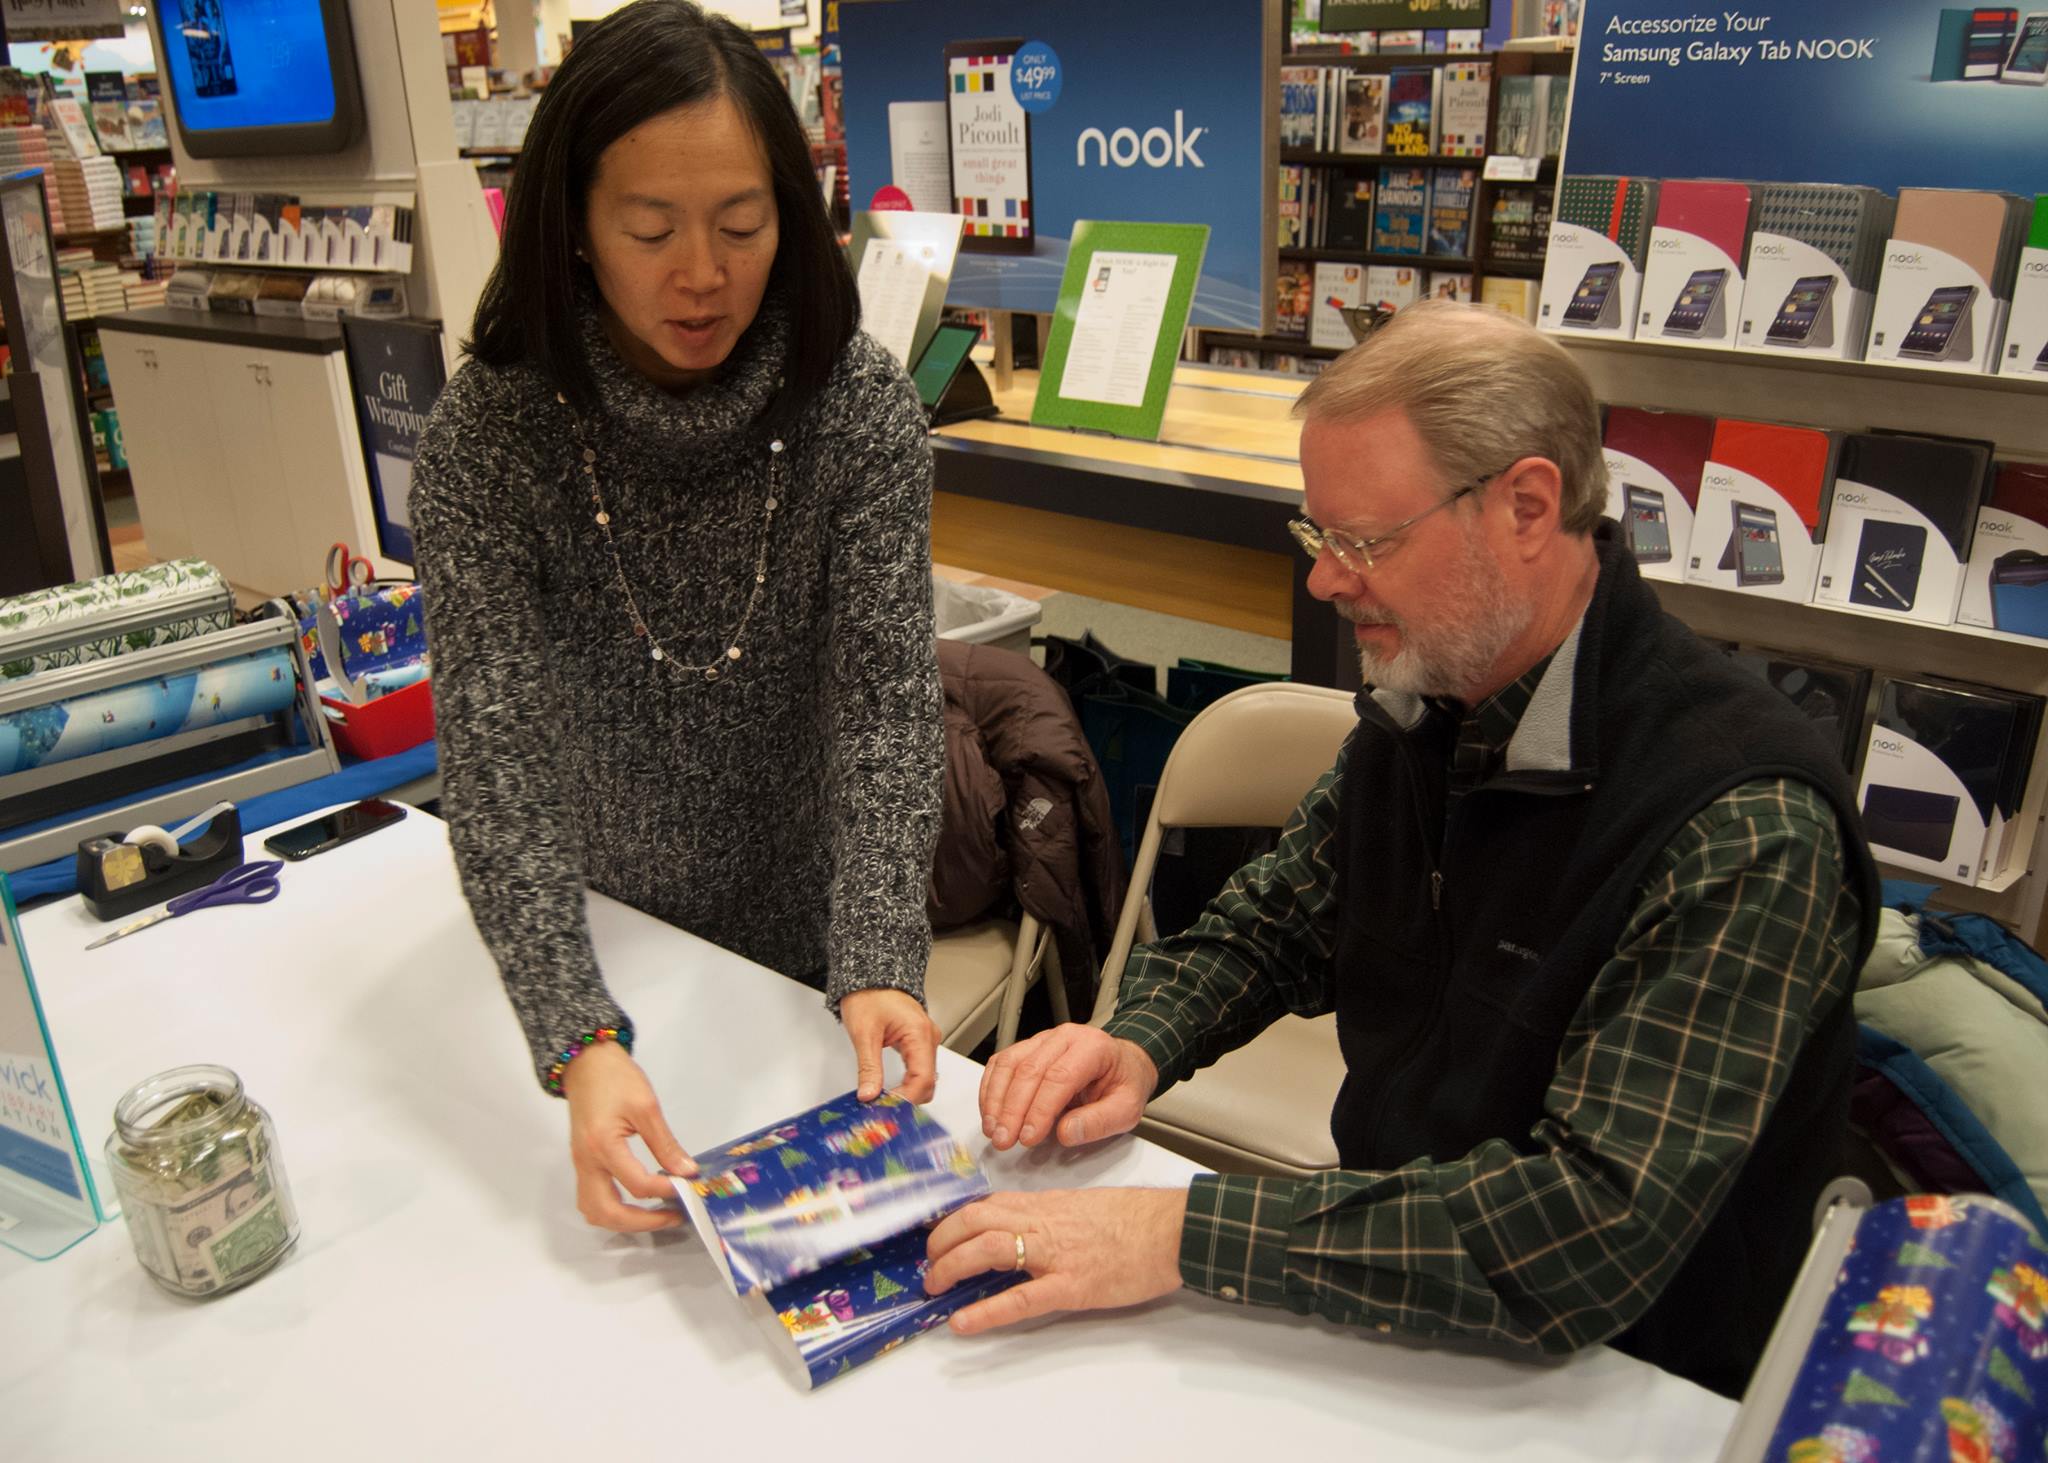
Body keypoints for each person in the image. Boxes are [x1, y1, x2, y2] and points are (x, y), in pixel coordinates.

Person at [923, 300, 1880, 1399]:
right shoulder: (1434, 699)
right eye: (1314, 534)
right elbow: (1277, 919)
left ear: (1526, 504)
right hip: (1395, 1295)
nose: (1326, 578)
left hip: (1631, 1381)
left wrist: (1181, 1231)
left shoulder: (1743, 824)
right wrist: (1133, 1041)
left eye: (1363, 540)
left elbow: (1585, 1229)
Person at [411, 0, 942, 1236]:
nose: (701, 274)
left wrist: (874, 955)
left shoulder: (855, 408)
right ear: (573, 229)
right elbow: (496, 760)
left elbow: (885, 712)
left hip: (806, 944)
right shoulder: (492, 434)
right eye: (649, 228)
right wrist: (576, 1036)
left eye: (742, 225)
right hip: (598, 922)